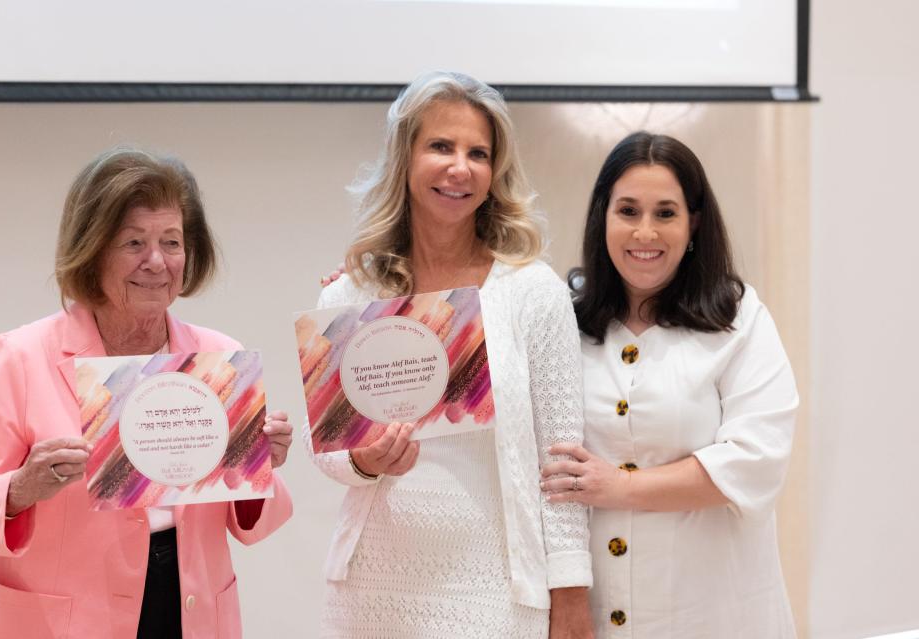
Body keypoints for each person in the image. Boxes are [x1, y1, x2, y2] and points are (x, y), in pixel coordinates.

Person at [0, 147, 294, 639]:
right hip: (65, 621)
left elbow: (255, 522)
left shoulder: (218, 358)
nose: (156, 261)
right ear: (93, 251)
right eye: (133, 242)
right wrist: (20, 489)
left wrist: (259, 464)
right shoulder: (21, 355)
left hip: (190, 608)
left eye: (172, 242)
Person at [307, 71, 594, 638]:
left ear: (495, 172)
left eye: (478, 153)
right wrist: (366, 460)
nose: (460, 167)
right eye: (440, 146)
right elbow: (329, 451)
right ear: (405, 158)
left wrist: (572, 596)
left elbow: (562, 464)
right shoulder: (348, 295)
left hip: (500, 592)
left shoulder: (533, 292)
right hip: (372, 590)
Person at [540, 132, 799, 637]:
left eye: (665, 213)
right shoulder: (559, 316)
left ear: (693, 222)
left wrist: (621, 486)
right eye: (628, 211)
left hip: (713, 609)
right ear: (603, 217)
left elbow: (757, 457)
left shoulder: (740, 317)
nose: (645, 232)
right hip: (594, 609)